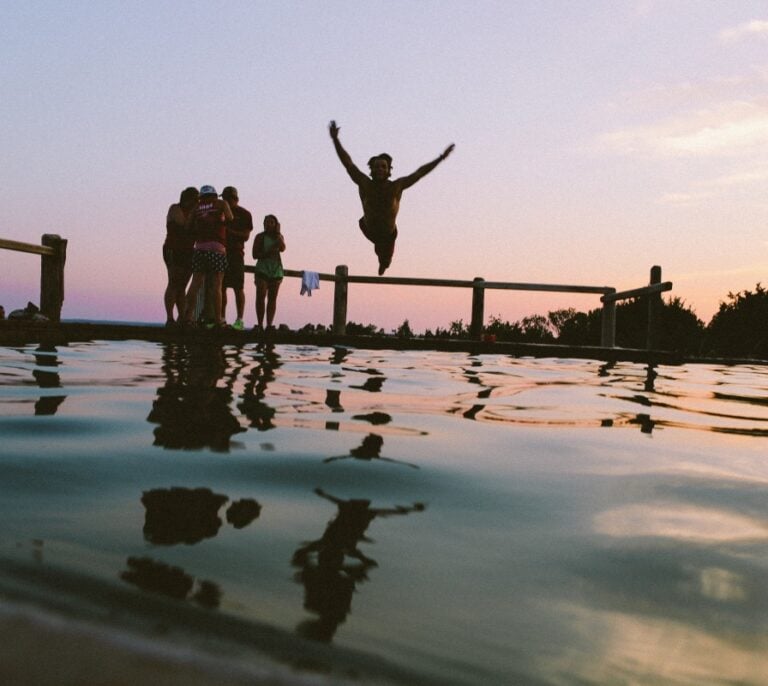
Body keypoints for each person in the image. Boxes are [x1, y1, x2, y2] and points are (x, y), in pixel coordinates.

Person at [329, 120, 454, 275]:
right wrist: (335, 140)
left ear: (389, 170)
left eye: (383, 167)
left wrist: (441, 158)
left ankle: (383, 264)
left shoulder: (396, 186)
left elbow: (420, 172)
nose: (379, 169)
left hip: (388, 236)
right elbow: (348, 163)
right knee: (378, 247)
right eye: (376, 166)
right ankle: (381, 258)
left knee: (385, 260)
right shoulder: (365, 183)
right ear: (371, 170)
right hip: (368, 229)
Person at [182, 185, 233, 329]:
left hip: (200, 248)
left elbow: (187, 226)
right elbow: (230, 219)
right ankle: (218, 320)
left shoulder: (196, 207)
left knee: (195, 283)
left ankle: (188, 317)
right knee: (217, 285)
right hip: (217, 248)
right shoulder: (221, 204)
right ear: (215, 194)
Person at [163, 186, 199, 326]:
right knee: (173, 282)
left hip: (189, 250)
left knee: (182, 285)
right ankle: (170, 318)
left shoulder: (195, 213)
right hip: (173, 249)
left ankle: (182, 317)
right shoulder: (175, 209)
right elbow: (184, 225)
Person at [220, 186, 253, 331]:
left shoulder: (245, 214)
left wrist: (228, 232)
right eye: (224, 198)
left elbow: (245, 236)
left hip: (237, 254)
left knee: (238, 288)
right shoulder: (219, 212)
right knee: (221, 287)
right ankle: (221, 318)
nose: (225, 201)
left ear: (236, 199)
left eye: (228, 198)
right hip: (221, 253)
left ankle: (239, 320)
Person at [252, 214, 285, 334]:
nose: (268, 224)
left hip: (276, 270)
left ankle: (269, 325)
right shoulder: (260, 237)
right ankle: (260, 324)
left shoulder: (279, 236)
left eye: (271, 222)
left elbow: (283, 248)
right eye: (266, 222)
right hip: (262, 269)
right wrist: (269, 251)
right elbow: (255, 255)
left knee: (272, 298)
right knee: (260, 296)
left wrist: (278, 234)